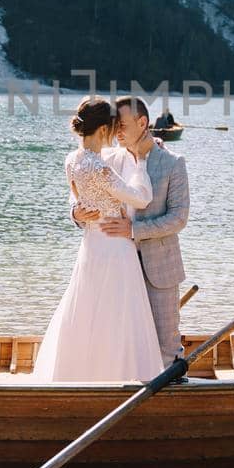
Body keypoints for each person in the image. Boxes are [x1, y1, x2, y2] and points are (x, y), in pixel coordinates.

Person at [33, 97, 163, 381]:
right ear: (104, 129)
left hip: (92, 246)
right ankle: (119, 375)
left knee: (87, 311)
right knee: (118, 317)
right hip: (115, 247)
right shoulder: (98, 166)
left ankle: (80, 374)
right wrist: (141, 161)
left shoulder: (73, 160)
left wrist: (79, 210)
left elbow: (80, 196)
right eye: (113, 127)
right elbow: (141, 198)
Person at [74, 96, 190, 368]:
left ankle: (172, 392)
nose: (116, 132)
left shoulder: (173, 163)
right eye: (114, 126)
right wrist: (75, 213)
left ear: (143, 123)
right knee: (119, 342)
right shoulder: (108, 160)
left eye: (122, 125)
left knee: (165, 346)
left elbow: (178, 218)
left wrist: (133, 230)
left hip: (158, 268)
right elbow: (80, 190)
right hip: (115, 267)